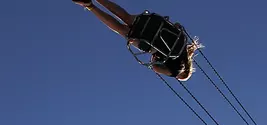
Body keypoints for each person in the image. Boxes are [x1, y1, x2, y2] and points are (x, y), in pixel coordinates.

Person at [72, 0, 202, 81]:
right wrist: (155, 62)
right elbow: (156, 68)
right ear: (181, 75)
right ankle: (90, 5)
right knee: (121, 29)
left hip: (153, 23)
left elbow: (177, 26)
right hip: (148, 41)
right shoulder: (174, 71)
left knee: (126, 16)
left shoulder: (183, 44)